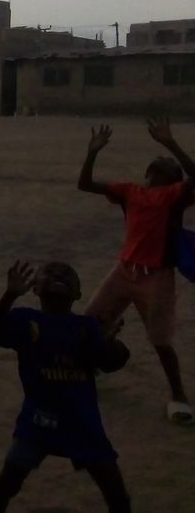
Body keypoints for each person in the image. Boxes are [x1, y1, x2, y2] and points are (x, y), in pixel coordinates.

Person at [0, 260, 132, 513]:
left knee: (116, 495)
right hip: (38, 422)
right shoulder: (27, 321)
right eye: (50, 272)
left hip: (81, 424)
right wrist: (9, 295)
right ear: (35, 289)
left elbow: (112, 362)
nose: (59, 274)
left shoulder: (87, 327)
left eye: (66, 274)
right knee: (6, 486)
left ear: (78, 294)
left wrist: (108, 342)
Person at [77, 117, 195, 424]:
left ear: (172, 180)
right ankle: (90, 366)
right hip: (124, 269)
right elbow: (84, 184)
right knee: (90, 323)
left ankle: (178, 394)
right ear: (148, 174)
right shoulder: (130, 192)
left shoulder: (173, 197)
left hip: (156, 276)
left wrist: (170, 143)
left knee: (160, 339)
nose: (160, 168)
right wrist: (92, 152)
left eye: (167, 168)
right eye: (158, 166)